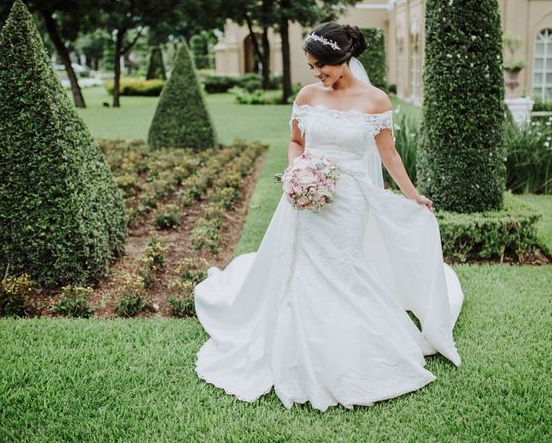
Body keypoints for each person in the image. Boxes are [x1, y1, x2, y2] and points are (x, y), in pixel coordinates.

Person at [194, 21, 464, 412]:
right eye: (312, 66)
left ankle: (351, 345)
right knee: (301, 267)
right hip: (304, 195)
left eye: (323, 65)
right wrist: (296, 172)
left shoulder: (375, 101)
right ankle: (297, 345)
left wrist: (413, 195)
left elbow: (389, 155)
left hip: (349, 199)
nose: (317, 73)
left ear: (344, 58)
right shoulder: (307, 95)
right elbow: (295, 142)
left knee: (343, 267)